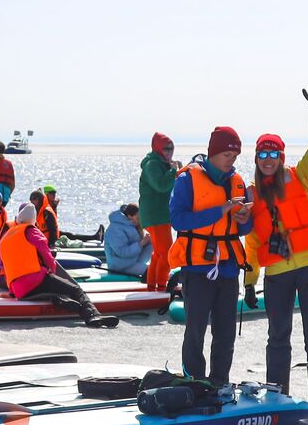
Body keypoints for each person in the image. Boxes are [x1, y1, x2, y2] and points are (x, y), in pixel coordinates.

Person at [245, 85, 308, 417]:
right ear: (256, 159)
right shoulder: (252, 195)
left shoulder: (300, 176)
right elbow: (252, 242)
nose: (268, 161)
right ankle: (277, 400)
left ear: (281, 158)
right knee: (278, 339)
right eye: (262, 155)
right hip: (278, 275)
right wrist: (250, 282)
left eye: (273, 155)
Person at [169, 126, 251, 382]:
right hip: (197, 269)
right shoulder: (186, 180)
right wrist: (220, 211)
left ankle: (219, 383)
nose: (232, 160)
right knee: (195, 331)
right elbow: (178, 220)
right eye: (228, 154)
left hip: (228, 268)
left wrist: (244, 218)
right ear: (213, 153)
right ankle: (194, 383)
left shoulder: (238, 182)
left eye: (235, 155)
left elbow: (245, 228)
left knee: (226, 332)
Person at [0, 202, 118, 328]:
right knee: (75, 289)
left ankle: (60, 299)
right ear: (33, 220)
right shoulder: (30, 231)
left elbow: (3, 265)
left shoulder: (6, 238)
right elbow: (45, 251)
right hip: (37, 280)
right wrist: (52, 270)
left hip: (18, 289)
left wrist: (12, 291)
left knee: (53, 292)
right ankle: (93, 315)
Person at [138, 133, 180, 290]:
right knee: (167, 253)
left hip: (158, 215)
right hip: (155, 216)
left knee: (158, 253)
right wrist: (173, 171)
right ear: (158, 149)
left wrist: (175, 171)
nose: (169, 152)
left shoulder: (161, 163)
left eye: (171, 149)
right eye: (166, 149)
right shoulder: (152, 165)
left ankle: (152, 286)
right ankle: (161, 286)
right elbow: (161, 185)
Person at [104, 204, 153, 277]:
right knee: (155, 272)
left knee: (152, 242)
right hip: (120, 267)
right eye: (137, 218)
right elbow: (122, 252)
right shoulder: (115, 229)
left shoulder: (132, 226)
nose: (140, 221)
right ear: (130, 216)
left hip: (133, 262)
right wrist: (141, 243)